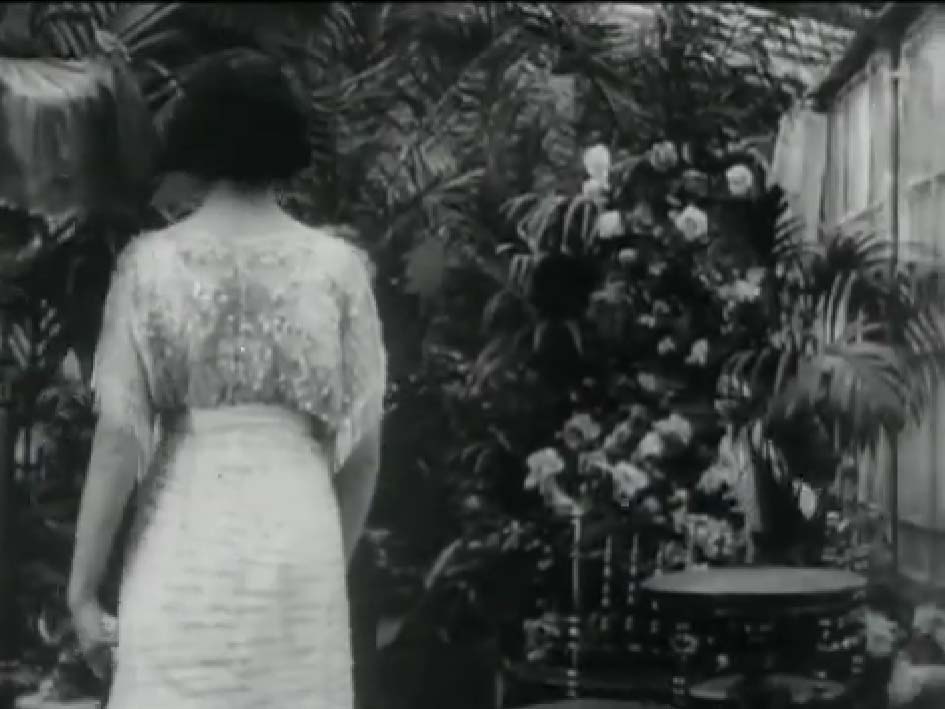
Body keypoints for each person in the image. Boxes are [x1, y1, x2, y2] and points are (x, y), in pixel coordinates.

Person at [66, 51, 386, 709]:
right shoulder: (339, 269)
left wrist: (82, 591)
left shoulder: (150, 266)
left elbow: (119, 440)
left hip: (184, 531)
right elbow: (362, 448)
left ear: (195, 137)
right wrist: (329, 558)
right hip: (299, 535)